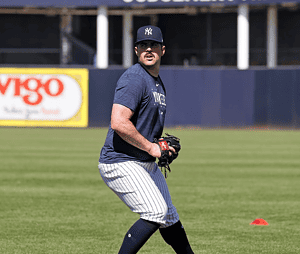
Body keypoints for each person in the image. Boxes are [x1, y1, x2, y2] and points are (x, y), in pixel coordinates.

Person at [98, 25, 194, 254]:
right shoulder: (135, 78)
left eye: (153, 45)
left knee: (169, 216)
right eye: (143, 45)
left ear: (163, 50)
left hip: (143, 162)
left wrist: (158, 144)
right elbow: (119, 122)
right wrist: (152, 147)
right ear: (136, 50)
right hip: (120, 161)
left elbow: (143, 125)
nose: (148, 49)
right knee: (155, 212)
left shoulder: (156, 82)